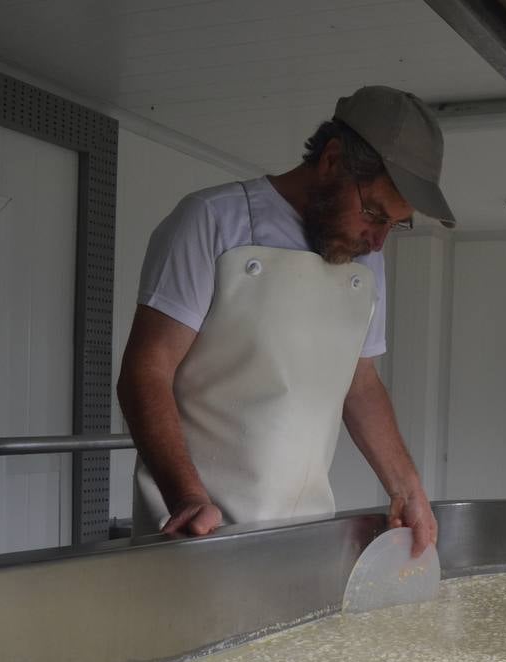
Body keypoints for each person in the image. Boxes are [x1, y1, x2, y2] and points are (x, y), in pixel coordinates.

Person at [117, 86, 453, 557]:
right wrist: (188, 497)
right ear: (332, 161)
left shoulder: (364, 258)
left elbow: (360, 383)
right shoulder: (214, 221)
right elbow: (145, 372)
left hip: (302, 534)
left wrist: (408, 489)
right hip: (196, 529)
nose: (378, 242)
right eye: (375, 213)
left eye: (395, 225)